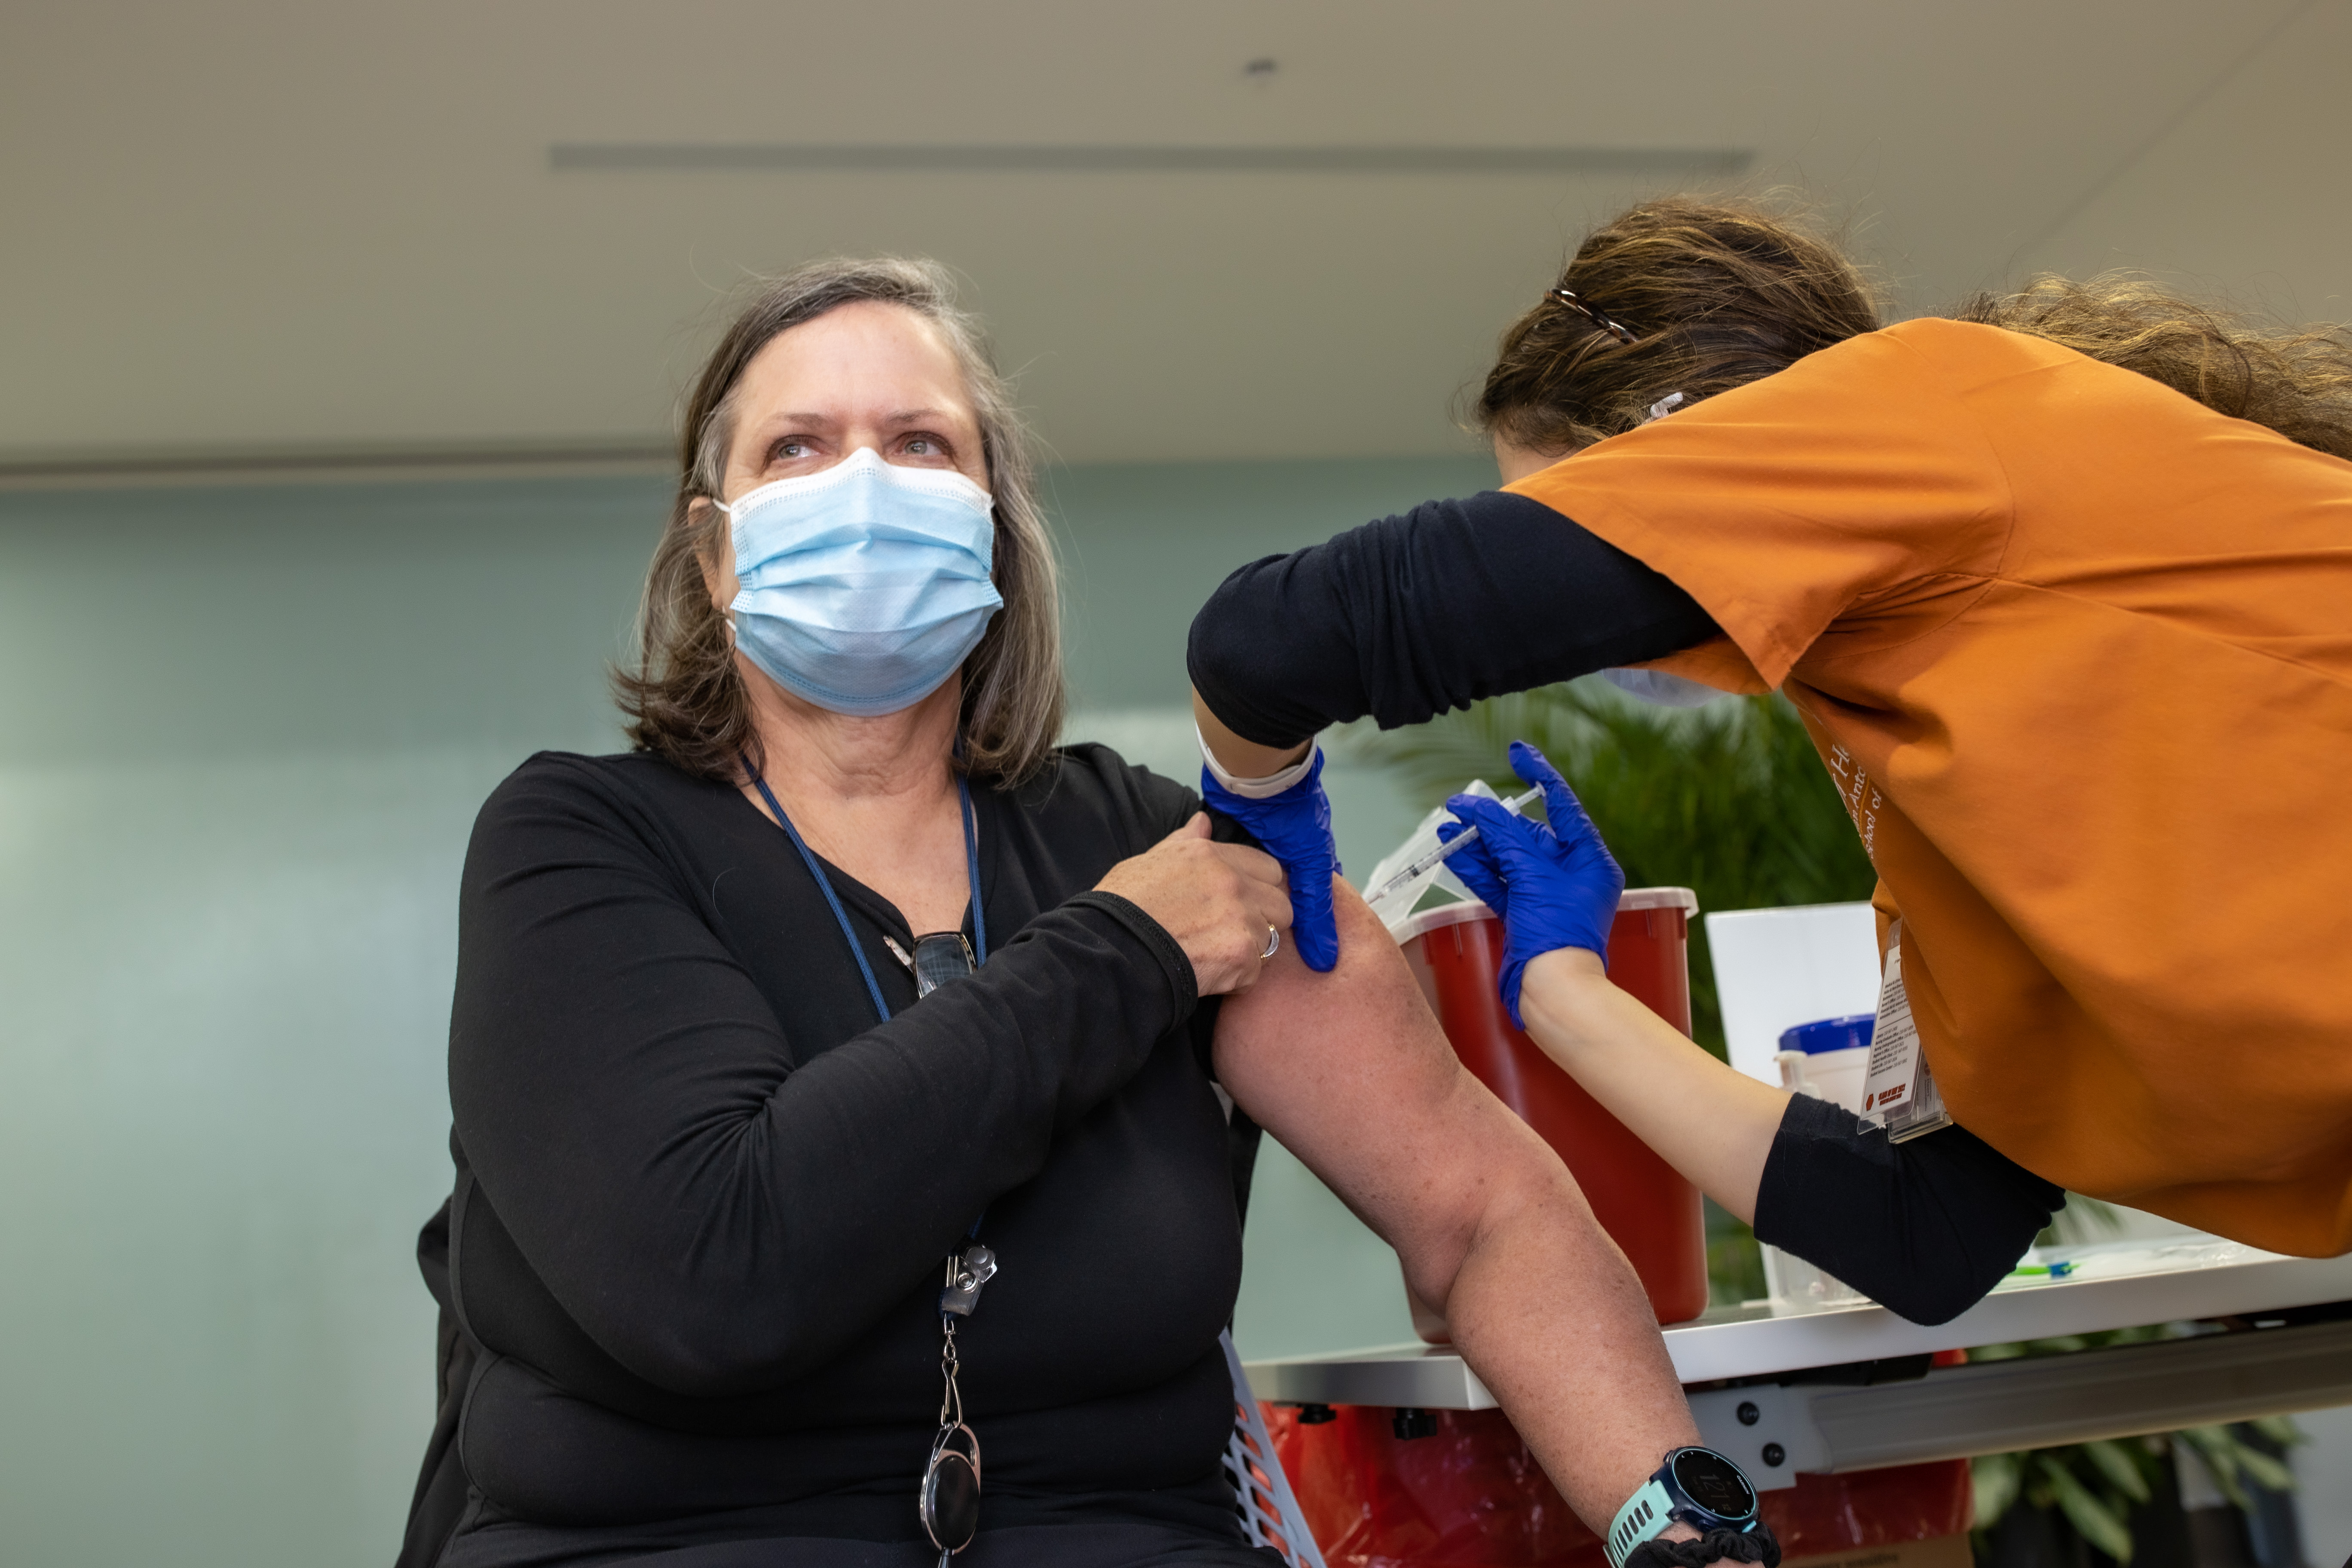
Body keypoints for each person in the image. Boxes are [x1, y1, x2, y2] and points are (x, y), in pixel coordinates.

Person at [395, 257, 1776, 1568]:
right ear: (715, 557)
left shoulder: (1155, 843)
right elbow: (711, 1274)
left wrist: (1682, 1525)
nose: (864, 484)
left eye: (922, 444)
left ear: (993, 523)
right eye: (797, 448)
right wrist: (1122, 953)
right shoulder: (581, 843)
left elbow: (1479, 1209)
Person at [1186, 197, 2352, 1326]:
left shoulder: (1919, 404)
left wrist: (1255, 799)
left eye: (1561, 516)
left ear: (1681, 442)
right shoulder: (1920, 750)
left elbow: (1270, 643)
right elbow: (1924, 1231)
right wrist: (1565, 992)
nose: (1578, 626)